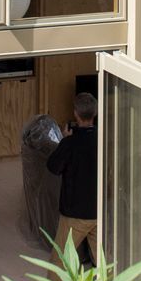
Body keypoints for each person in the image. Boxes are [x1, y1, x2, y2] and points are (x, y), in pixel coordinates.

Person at [46, 91, 99, 262]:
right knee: (104, 262)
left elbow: (53, 167)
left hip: (74, 212)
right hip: (99, 209)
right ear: (95, 113)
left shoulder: (70, 143)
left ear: (75, 113)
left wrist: (64, 141)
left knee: (60, 261)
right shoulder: (103, 140)